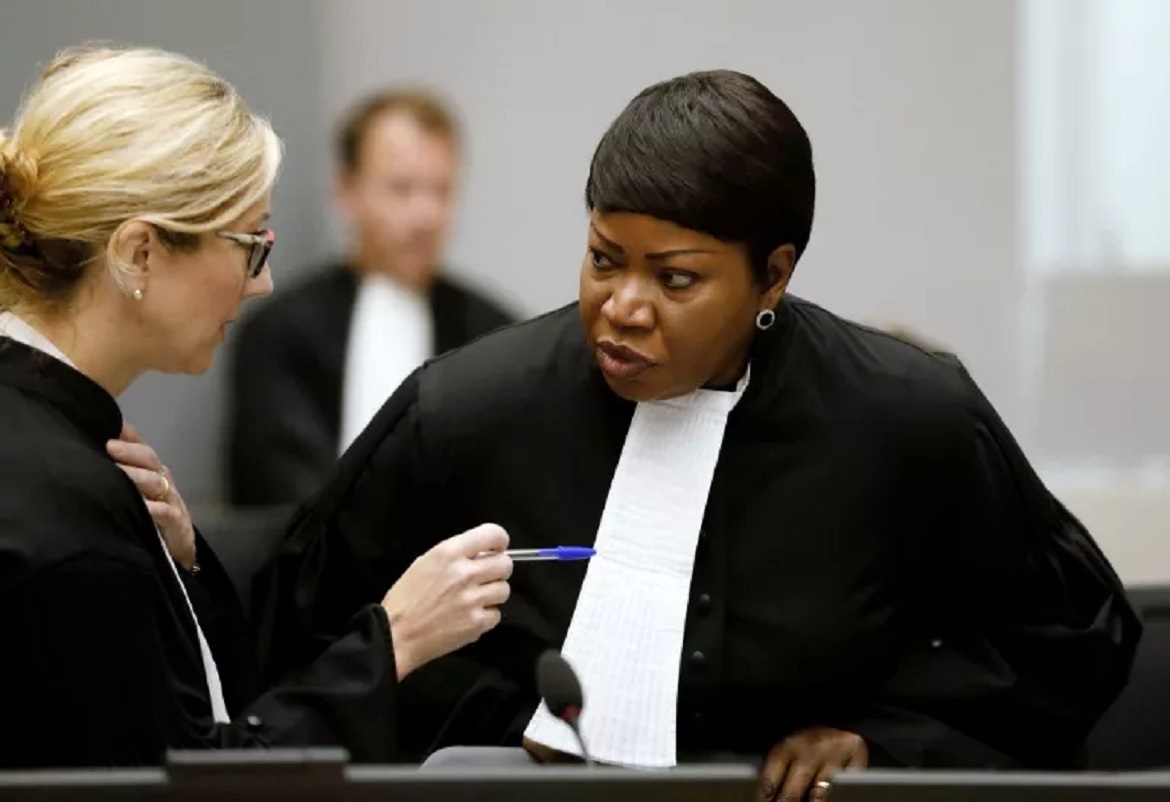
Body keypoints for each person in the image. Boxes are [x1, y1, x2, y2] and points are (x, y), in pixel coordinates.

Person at [254, 69, 1142, 800]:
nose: (623, 308)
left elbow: (1076, 636)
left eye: (675, 279)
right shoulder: (467, 409)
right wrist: (499, 721)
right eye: (604, 259)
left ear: (773, 277)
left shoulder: (907, 414)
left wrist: (886, 740)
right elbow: (295, 643)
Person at [0, 46, 513, 769]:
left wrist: (181, 564)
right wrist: (393, 641)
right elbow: (197, 779)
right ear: (139, 253)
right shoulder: (67, 513)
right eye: (249, 244)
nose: (261, 282)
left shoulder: (64, 455)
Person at [226, 89, 516, 508]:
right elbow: (277, 491)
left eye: (441, 191)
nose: (427, 215)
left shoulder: (495, 335)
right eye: (402, 189)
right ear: (346, 191)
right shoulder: (280, 334)